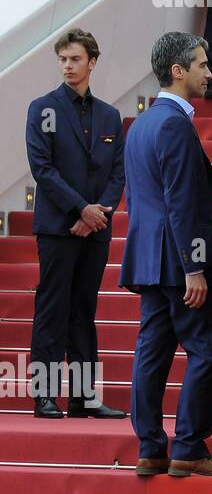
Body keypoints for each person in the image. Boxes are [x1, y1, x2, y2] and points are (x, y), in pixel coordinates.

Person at [119, 33, 212, 478]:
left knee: (153, 350)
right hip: (178, 262)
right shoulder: (173, 124)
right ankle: (188, 446)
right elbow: (182, 201)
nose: (210, 72)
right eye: (202, 65)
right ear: (178, 71)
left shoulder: (142, 123)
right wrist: (194, 267)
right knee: (206, 349)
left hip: (148, 259)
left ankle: (150, 447)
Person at [24, 30, 126, 419]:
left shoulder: (110, 116)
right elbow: (43, 170)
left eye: (76, 59)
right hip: (57, 228)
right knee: (52, 307)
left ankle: (84, 397)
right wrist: (81, 209)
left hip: (96, 228)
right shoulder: (42, 109)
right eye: (63, 59)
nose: (68, 66)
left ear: (93, 62)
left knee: (84, 308)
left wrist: (97, 213)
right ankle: (45, 395)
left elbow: (118, 175)